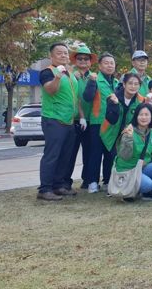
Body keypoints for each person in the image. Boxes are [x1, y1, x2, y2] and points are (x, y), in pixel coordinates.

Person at [37, 43, 80, 201]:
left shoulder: (70, 74)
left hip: (69, 121)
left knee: (65, 155)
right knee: (52, 155)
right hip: (54, 119)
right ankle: (45, 189)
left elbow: (75, 97)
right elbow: (50, 90)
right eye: (59, 53)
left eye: (65, 53)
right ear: (51, 56)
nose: (63, 55)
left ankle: (59, 185)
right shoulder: (48, 72)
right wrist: (57, 77)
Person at [114, 103, 152, 201]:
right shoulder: (128, 131)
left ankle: (150, 193)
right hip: (128, 170)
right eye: (141, 114)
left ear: (151, 117)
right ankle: (128, 191)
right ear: (136, 116)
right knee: (148, 184)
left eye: (147, 114)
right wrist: (128, 139)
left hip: (141, 168)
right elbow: (125, 156)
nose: (144, 117)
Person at [81, 53, 120, 193]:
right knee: (95, 153)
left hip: (112, 124)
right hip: (98, 122)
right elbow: (87, 97)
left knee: (111, 154)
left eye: (112, 63)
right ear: (100, 65)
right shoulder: (95, 79)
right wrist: (91, 82)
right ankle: (92, 182)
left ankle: (108, 181)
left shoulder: (117, 83)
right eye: (106, 63)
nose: (109, 66)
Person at [101, 73, 145, 188]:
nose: (133, 86)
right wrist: (115, 105)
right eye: (130, 83)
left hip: (128, 133)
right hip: (111, 132)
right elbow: (111, 119)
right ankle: (107, 182)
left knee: (124, 157)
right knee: (111, 157)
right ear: (124, 84)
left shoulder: (141, 100)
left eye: (136, 84)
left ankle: (123, 183)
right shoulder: (113, 97)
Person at [68, 43, 97, 192]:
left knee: (89, 153)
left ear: (91, 61)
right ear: (75, 60)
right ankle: (65, 182)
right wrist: (73, 77)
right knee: (70, 153)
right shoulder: (70, 76)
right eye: (80, 58)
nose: (83, 61)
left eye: (86, 59)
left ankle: (87, 180)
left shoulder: (95, 77)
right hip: (73, 120)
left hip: (91, 121)